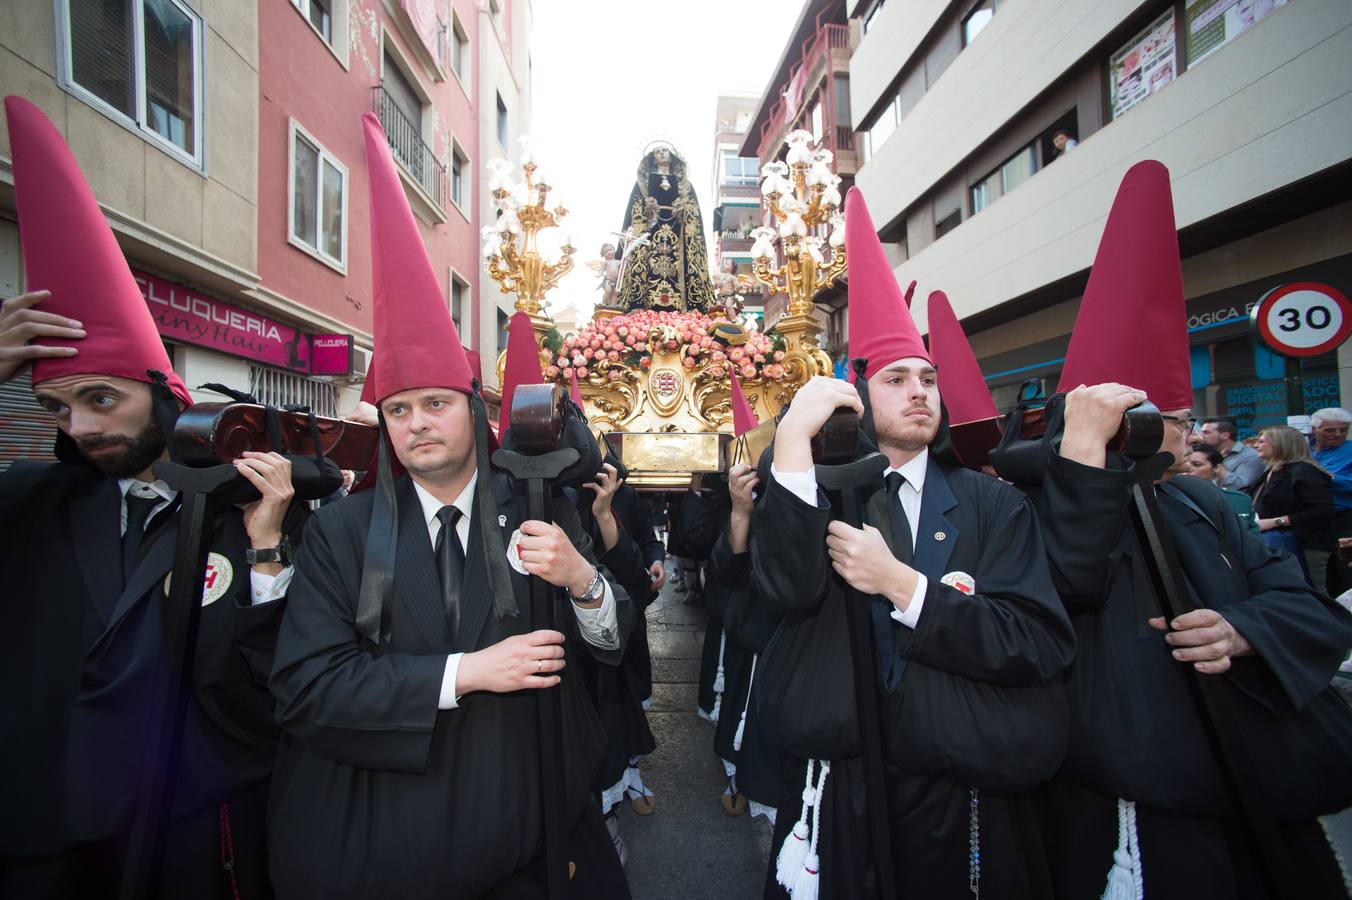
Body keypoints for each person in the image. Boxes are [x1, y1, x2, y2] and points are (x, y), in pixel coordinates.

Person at [265, 112, 632, 898]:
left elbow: (613, 645)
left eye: (435, 402)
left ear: (474, 408)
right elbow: (306, 688)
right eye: (399, 410)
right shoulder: (340, 532)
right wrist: (464, 673)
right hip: (387, 846)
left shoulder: (540, 509)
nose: (418, 424)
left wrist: (583, 583)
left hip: (526, 839)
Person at [0, 95, 306, 898]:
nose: (79, 425)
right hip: (47, 833)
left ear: (159, 393)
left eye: (101, 400)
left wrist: (269, 549)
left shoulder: (243, 506)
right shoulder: (33, 505)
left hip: (191, 826)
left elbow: (278, 671)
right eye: (57, 408)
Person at [1022, 160, 1352, 899]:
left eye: (1182, 418)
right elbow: (1065, 586)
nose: (1188, 431)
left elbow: (1303, 605)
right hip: (1115, 809)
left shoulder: (1203, 505)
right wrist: (1082, 459)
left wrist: (1243, 630)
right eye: (1167, 419)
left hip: (1246, 789)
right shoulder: (1031, 506)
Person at [754, 188, 1075, 898]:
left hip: (959, 794)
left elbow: (1038, 641)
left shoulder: (993, 504)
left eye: (928, 379)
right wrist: (792, 452)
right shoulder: (827, 490)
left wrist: (905, 588)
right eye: (897, 379)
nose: (919, 392)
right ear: (859, 396)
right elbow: (781, 590)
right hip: (843, 787)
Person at [616, 143, 717, 313]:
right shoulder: (643, 183)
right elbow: (633, 213)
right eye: (657, 152)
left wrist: (683, 209)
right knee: (645, 262)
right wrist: (647, 207)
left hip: (678, 231)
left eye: (664, 151)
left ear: (671, 155)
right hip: (649, 233)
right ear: (652, 157)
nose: (661, 154)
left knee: (682, 265)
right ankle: (640, 305)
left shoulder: (685, 185)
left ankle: (687, 307)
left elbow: (694, 213)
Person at [1252, 424, 1333, 590]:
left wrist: (1276, 521)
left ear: (1280, 444)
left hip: (1309, 544)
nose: (1256, 445)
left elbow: (1322, 511)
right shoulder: (1271, 472)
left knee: (1315, 592)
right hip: (1278, 543)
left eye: (1262, 441)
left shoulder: (1305, 472)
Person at [1311, 407, 1352, 594]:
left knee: (1344, 569)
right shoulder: (1306, 448)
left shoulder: (1350, 450)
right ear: (1314, 429)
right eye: (1330, 430)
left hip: (1343, 517)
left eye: (1343, 430)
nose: (1338, 434)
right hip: (1312, 520)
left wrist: (1329, 476)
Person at [1184, 445, 1258, 532]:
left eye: (1197, 464)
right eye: (1183, 464)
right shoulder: (1171, 498)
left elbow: (1252, 539)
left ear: (1217, 468)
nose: (1187, 468)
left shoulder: (1240, 500)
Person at [1199, 417, 1263, 491]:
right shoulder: (1208, 453)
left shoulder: (1251, 456)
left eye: (1206, 432)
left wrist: (1217, 463)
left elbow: (1241, 486)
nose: (1201, 436)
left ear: (1225, 435)